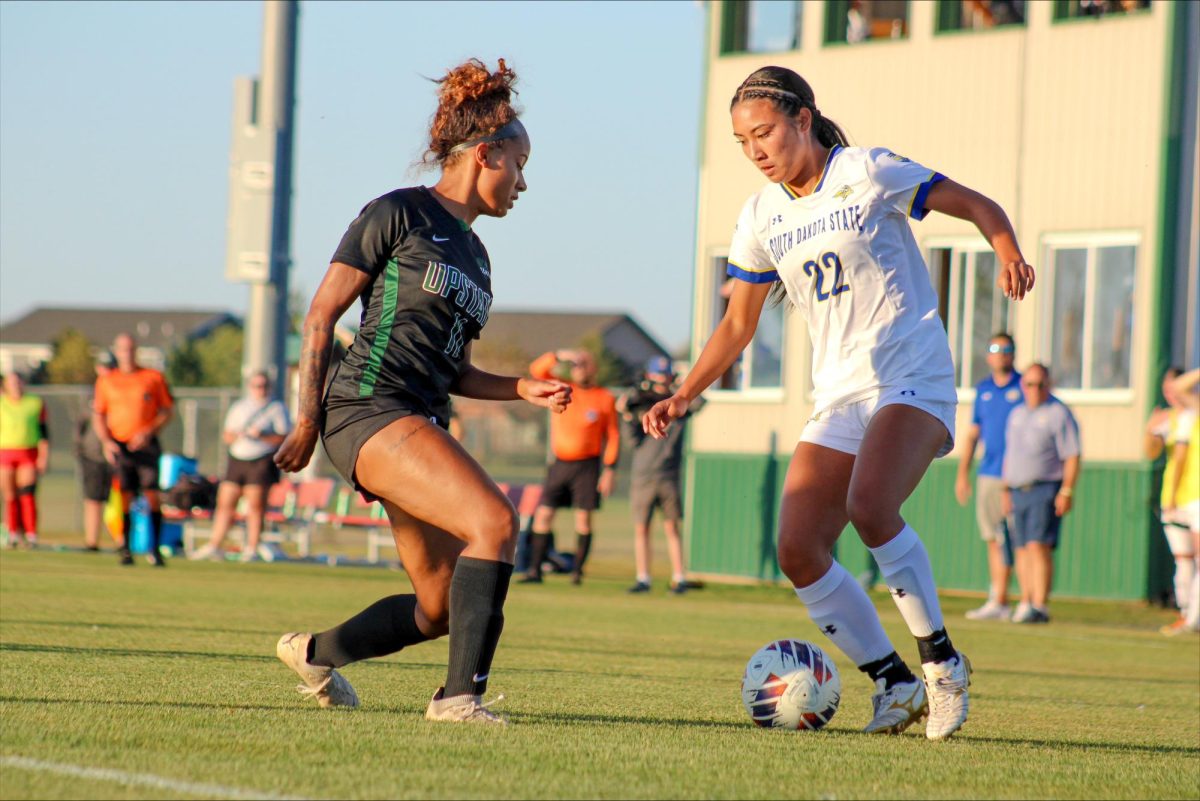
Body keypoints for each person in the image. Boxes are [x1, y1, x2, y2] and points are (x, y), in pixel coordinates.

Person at [642, 65, 1035, 740]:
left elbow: (975, 202)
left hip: (912, 378)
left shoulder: (867, 170)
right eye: (742, 141)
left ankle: (942, 665)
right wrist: (683, 393)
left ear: (803, 118)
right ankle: (894, 683)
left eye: (764, 132)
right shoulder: (762, 215)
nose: (755, 150)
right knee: (797, 547)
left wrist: (1006, 249)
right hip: (840, 394)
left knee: (871, 506)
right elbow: (737, 325)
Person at [272, 58, 570, 725]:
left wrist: (521, 386)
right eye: (519, 164)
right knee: (494, 522)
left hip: (416, 418)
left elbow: (454, 369)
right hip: (367, 410)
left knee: (436, 607)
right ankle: (459, 699)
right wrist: (304, 420)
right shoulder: (398, 212)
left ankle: (317, 653)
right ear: (485, 153)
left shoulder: (479, 257)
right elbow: (321, 314)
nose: (524, 182)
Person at [520, 348, 619, 586]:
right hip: (560, 463)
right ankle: (535, 570)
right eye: (577, 364)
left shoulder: (604, 397)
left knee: (583, 519)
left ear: (593, 368)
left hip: (587, 465)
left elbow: (613, 436)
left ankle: (577, 572)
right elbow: (536, 370)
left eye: (585, 364)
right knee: (544, 515)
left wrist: (610, 470)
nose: (580, 368)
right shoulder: (562, 387)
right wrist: (560, 355)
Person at [1000, 363, 1080, 624]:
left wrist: (1066, 490)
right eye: (1030, 384)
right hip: (1017, 489)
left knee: (1038, 546)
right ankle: (1025, 600)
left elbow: (1071, 455)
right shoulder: (1017, 414)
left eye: (1040, 384)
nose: (1035, 390)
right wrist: (1005, 488)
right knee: (1021, 548)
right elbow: (1009, 455)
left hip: (1045, 487)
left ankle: (1040, 604)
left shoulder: (1058, 413)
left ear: (1049, 385)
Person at [618, 356, 703, 594]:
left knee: (671, 527)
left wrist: (680, 388)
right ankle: (643, 577)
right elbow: (632, 440)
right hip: (643, 476)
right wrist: (626, 413)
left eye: (665, 375)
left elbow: (700, 402)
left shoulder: (677, 406)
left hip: (668, 475)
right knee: (641, 528)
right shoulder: (641, 404)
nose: (661, 380)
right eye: (658, 375)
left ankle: (679, 577)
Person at [955, 334, 1023, 620]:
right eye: (995, 349)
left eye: (1006, 349)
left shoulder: (1023, 387)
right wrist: (963, 474)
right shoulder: (983, 390)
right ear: (988, 355)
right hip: (989, 474)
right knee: (993, 538)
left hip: (1018, 476)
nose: (1001, 354)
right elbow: (973, 435)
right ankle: (998, 598)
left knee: (1018, 539)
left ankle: (1028, 600)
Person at [189, 371, 291, 562]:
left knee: (255, 505)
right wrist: (239, 435)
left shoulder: (276, 408)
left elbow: (284, 437)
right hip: (238, 459)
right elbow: (227, 435)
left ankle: (251, 548)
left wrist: (260, 436)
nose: (260, 390)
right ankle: (215, 545)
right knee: (225, 502)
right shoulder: (240, 407)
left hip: (261, 459)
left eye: (263, 386)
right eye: (256, 386)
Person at [92, 332, 175, 566]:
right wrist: (107, 441)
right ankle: (125, 548)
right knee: (125, 495)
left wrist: (148, 431)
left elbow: (167, 410)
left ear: (136, 350)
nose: (126, 353)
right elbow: (99, 414)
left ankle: (155, 549)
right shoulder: (107, 381)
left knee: (152, 495)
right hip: (121, 445)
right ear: (116, 351)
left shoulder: (152, 377)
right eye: (122, 349)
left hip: (146, 446)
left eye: (130, 349)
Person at [1145, 367, 1196, 633]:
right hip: (1175, 498)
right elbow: (1151, 452)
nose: (1171, 393)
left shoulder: (1193, 412)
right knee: (1184, 560)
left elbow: (1185, 455)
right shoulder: (1170, 418)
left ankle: (1192, 617)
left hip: (1191, 496)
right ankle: (1187, 613)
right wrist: (1150, 430)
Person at [1161, 368, 1200, 635]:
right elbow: (1179, 387)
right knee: (1189, 560)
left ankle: (1191, 619)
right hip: (1194, 497)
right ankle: (1190, 618)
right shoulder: (1194, 413)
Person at [0, 372, 49, 548]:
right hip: (5, 453)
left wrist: (43, 456)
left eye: (17, 381)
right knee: (10, 495)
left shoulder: (34, 403)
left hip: (28, 453)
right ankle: (12, 534)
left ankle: (31, 535)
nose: (15, 385)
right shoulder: (2, 403)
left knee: (27, 494)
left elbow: (44, 433)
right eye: (10, 382)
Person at [75, 351, 116, 551]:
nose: (106, 371)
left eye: (110, 367)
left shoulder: (121, 391)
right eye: (103, 367)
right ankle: (92, 542)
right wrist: (79, 447)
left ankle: (123, 542)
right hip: (93, 453)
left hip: (118, 453)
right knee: (93, 498)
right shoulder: (90, 395)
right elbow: (81, 425)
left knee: (120, 500)